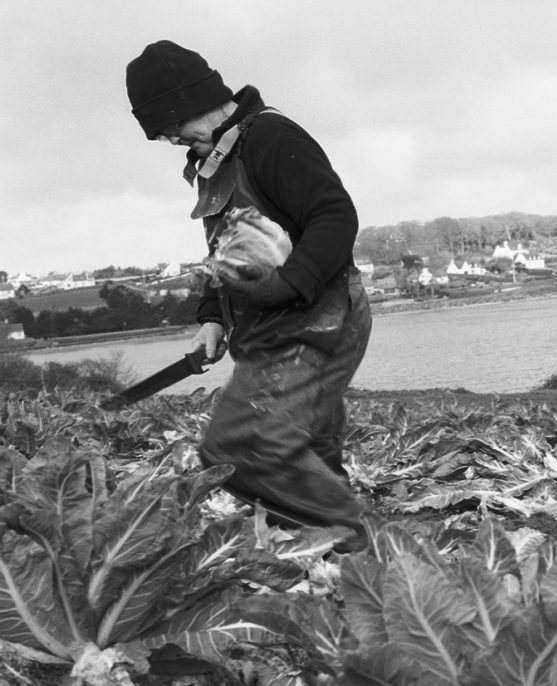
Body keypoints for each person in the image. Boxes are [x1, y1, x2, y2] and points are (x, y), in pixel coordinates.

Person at [125, 40, 372, 551]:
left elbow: (334, 215)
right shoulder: (215, 158)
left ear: (189, 101)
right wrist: (213, 315)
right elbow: (231, 251)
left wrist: (290, 283)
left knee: (238, 447)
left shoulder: (270, 137)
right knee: (308, 444)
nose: (170, 138)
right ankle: (323, 558)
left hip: (313, 320)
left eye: (170, 125)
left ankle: (360, 545)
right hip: (268, 327)